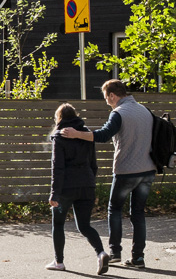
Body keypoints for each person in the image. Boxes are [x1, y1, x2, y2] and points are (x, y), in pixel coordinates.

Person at [61, 79, 156, 269]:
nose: (106, 101)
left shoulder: (118, 113)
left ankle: (115, 253)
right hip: (148, 171)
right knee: (138, 213)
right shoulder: (145, 111)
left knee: (115, 209)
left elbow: (103, 135)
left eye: (106, 97)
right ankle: (138, 257)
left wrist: (76, 134)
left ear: (113, 95)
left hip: (126, 171)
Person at [46, 102, 109, 273]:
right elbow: (93, 163)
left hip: (66, 187)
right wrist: (90, 182)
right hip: (86, 184)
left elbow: (57, 168)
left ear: (59, 118)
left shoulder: (59, 137)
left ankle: (59, 262)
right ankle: (101, 253)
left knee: (58, 224)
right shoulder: (86, 134)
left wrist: (54, 193)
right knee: (84, 226)